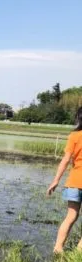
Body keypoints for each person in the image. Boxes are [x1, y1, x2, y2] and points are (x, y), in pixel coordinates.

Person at [47, 107, 82, 254]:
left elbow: (66, 160)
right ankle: (79, 252)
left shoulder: (74, 136)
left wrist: (55, 181)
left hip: (74, 182)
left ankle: (58, 248)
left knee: (70, 217)